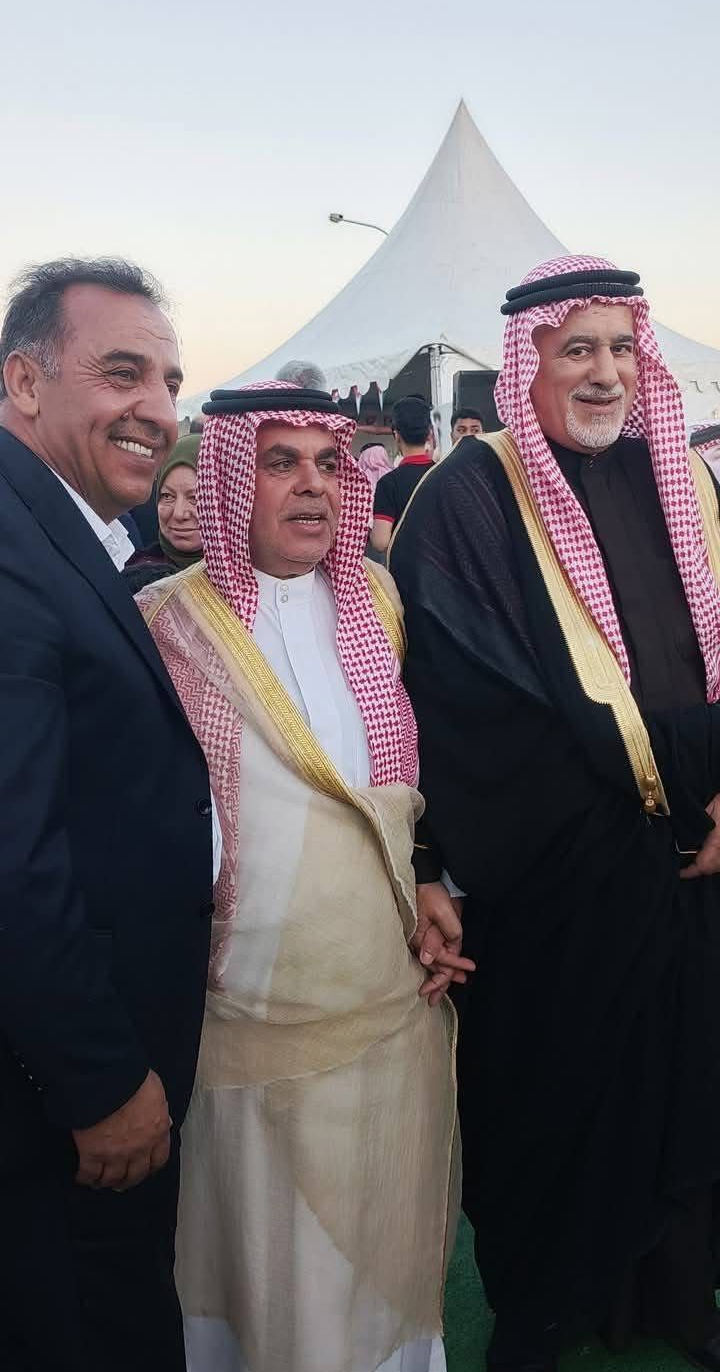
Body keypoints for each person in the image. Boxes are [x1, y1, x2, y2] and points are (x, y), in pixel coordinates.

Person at [389, 255, 720, 1372]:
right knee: (557, 1104)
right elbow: (474, 697)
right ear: (525, 362)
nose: (605, 372)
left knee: (683, 1082)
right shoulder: (469, 496)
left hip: (692, 864)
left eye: (622, 347)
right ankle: (540, 1310)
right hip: (556, 880)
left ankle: (675, 1298)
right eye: (577, 348)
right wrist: (664, 786)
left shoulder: (685, 481)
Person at [137, 381, 464, 1372]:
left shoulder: (377, 599)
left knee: (375, 1251)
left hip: (383, 996)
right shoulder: (165, 622)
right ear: (232, 479)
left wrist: (429, 884)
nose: (313, 486)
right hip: (242, 1017)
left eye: (328, 463)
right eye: (279, 463)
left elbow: (396, 788)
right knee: (265, 1270)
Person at [0, 258, 216, 1372]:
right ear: (23, 382)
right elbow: (13, 858)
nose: (158, 411)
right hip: (64, 1101)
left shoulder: (58, 527)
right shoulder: (12, 544)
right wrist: (97, 1080)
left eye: (170, 383)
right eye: (122, 373)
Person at [128, 434, 203, 572]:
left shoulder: (244, 574)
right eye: (167, 496)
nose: (179, 514)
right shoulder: (140, 576)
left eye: (195, 498)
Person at [371, 395, 433, 553]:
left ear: (397, 435)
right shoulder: (447, 474)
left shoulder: (388, 483)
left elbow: (380, 542)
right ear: (429, 434)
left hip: (406, 566)